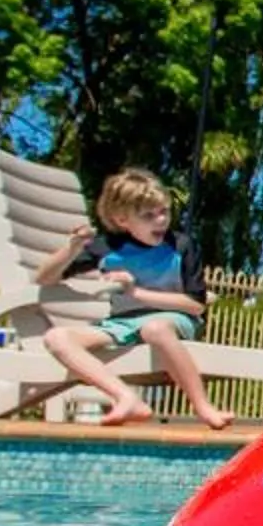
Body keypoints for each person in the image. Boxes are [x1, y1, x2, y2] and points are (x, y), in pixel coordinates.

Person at [33, 166, 232, 431]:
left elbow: (195, 304)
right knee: (57, 338)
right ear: (122, 219)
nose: (160, 220)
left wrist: (136, 292)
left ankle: (203, 406)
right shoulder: (107, 247)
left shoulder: (182, 245)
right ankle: (125, 396)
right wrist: (72, 248)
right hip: (121, 324)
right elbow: (45, 278)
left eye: (164, 212)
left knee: (155, 328)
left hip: (174, 321)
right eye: (148, 216)